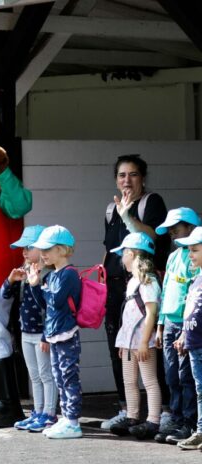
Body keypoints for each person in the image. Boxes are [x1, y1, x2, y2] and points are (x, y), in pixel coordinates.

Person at [101, 154, 169, 430]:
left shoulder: (151, 202)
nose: (126, 180)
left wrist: (128, 216)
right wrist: (102, 283)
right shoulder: (110, 209)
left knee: (150, 349)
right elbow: (109, 249)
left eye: (133, 174)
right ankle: (127, 409)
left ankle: (162, 412)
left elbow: (153, 237)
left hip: (143, 284)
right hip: (116, 286)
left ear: (143, 178)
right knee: (118, 349)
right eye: (121, 175)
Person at [28, 225, 83, 439]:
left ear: (61, 249)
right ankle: (66, 418)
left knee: (69, 377)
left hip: (67, 333)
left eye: (47, 249)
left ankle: (73, 422)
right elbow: (45, 304)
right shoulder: (51, 276)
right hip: (54, 333)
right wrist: (36, 285)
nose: (43, 254)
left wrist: (41, 287)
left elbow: (57, 301)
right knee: (59, 377)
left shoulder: (69, 274)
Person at [3, 225, 58, 433]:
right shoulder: (24, 271)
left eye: (28, 247)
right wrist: (11, 280)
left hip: (43, 333)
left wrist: (47, 335)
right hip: (26, 331)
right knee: (34, 375)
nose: (24, 252)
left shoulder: (49, 274)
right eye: (23, 248)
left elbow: (50, 307)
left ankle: (49, 414)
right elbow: (4, 295)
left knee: (46, 375)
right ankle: (38, 411)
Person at [153, 207, 200, 444]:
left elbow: (193, 297)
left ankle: (189, 423)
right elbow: (165, 292)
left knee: (186, 376)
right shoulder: (173, 256)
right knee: (171, 375)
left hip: (185, 324)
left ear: (191, 227)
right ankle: (176, 418)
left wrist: (184, 331)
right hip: (169, 322)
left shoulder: (196, 258)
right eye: (169, 229)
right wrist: (160, 325)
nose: (172, 232)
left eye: (176, 228)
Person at [109, 232, 162, 440]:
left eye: (123, 254)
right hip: (129, 342)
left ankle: (153, 420)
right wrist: (124, 342)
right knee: (129, 381)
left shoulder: (147, 281)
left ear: (130, 254)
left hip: (143, 342)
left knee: (149, 380)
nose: (121, 259)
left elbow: (151, 313)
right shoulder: (132, 281)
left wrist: (144, 342)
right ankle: (132, 416)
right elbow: (129, 315)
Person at [175, 226, 202, 450]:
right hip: (194, 345)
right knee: (200, 391)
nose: (190, 255)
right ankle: (201, 432)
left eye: (194, 250)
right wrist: (184, 334)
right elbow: (190, 310)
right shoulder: (196, 279)